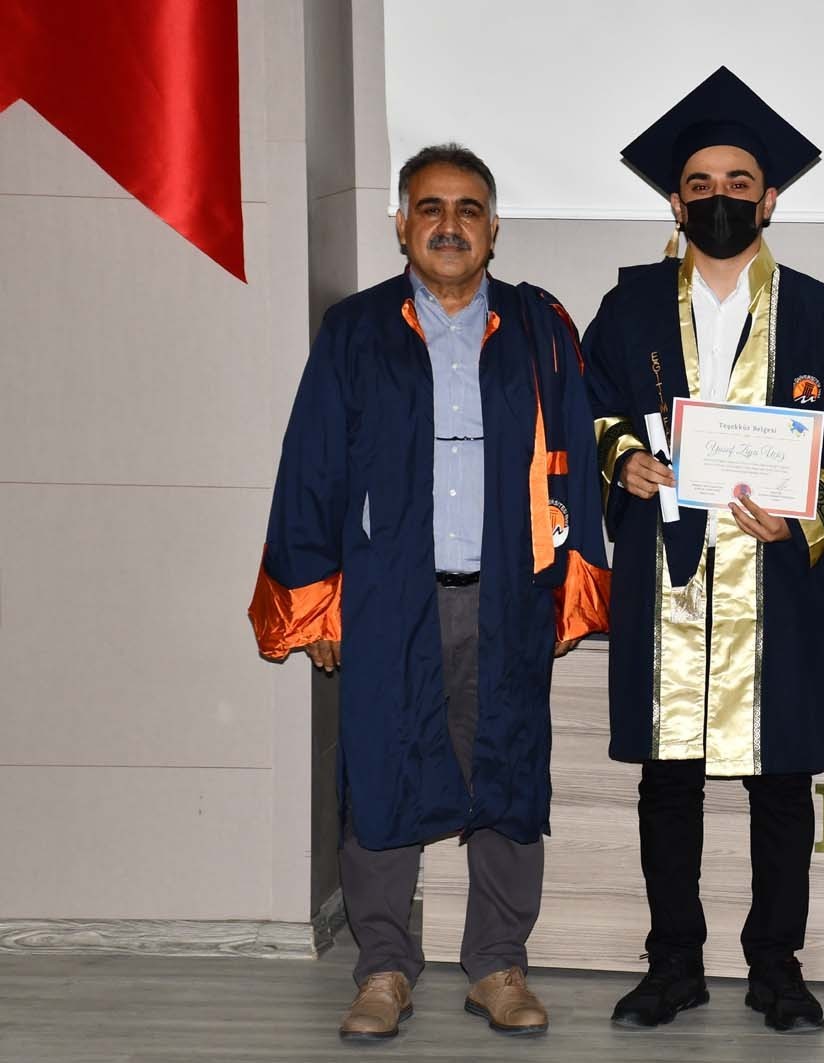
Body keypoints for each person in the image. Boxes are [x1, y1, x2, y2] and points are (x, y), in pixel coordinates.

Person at [247, 143, 610, 1042]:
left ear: (494, 227)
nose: (451, 225)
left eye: (469, 209)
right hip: (387, 594)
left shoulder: (538, 327)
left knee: (509, 772)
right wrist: (315, 599)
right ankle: (382, 968)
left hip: (508, 590)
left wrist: (572, 582)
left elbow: (574, 454)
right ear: (402, 223)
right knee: (380, 771)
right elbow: (312, 465)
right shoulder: (356, 328)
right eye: (432, 208)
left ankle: (496, 964)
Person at [582, 67, 824, 1034]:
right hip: (668, 577)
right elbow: (589, 409)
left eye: (738, 183)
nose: (720, 198)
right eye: (700, 185)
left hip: (775, 581)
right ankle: (673, 963)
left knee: (781, 782)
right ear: (676, 201)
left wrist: (805, 517)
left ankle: (776, 966)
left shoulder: (821, 313)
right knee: (667, 780)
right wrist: (622, 458)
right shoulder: (629, 307)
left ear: (770, 198)